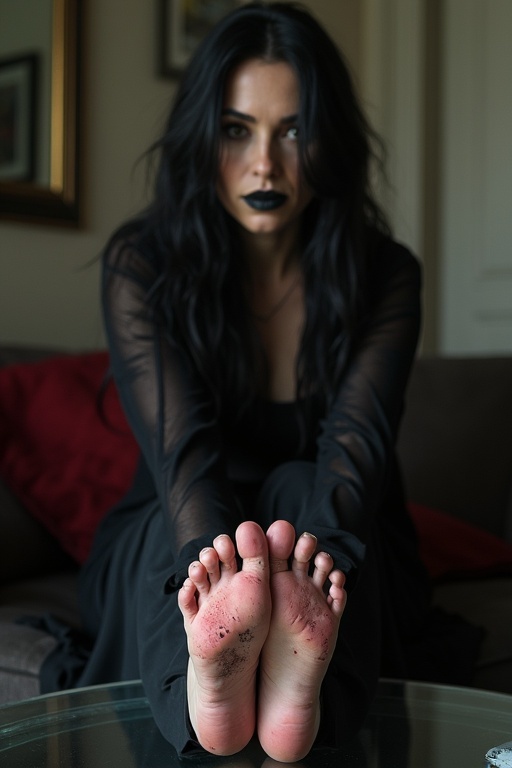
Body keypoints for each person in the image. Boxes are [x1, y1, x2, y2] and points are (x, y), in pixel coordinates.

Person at [55, 1, 478, 762]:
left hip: (328, 529)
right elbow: (183, 457)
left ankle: (296, 692)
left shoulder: (385, 275)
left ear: (331, 139)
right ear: (200, 137)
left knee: (293, 499)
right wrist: (220, 578)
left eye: (293, 130)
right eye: (236, 129)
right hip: (175, 535)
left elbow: (356, 453)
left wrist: (314, 575)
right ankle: (208, 686)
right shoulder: (143, 265)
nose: (265, 165)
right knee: (197, 540)